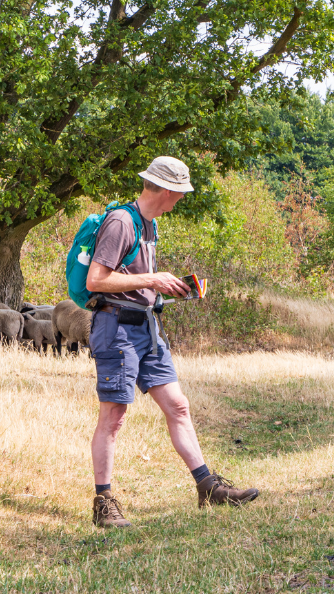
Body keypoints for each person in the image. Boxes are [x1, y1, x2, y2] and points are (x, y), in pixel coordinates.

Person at [85, 155, 259, 528]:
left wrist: (167, 287)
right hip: (116, 329)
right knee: (114, 417)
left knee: (178, 407)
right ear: (166, 189)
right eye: (179, 193)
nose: (180, 200)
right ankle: (104, 504)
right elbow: (96, 281)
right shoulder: (121, 222)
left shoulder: (149, 225)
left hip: (147, 329)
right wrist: (151, 280)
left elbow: (135, 279)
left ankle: (209, 488)